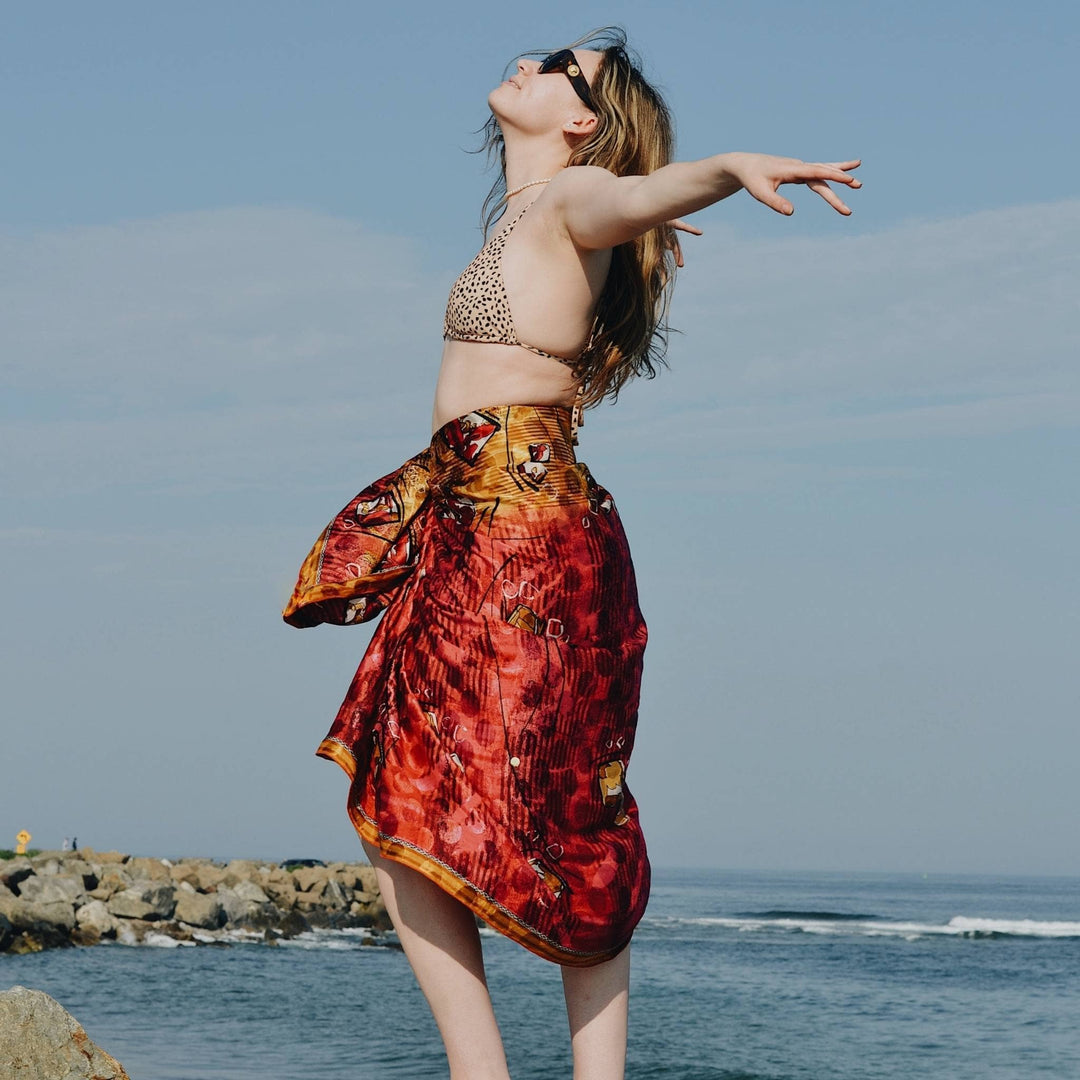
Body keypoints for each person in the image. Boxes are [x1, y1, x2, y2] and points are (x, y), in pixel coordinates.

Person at [283, 25, 860, 1080]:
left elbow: (632, 199)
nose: (533, 62)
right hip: (483, 525)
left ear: (584, 123)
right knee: (427, 793)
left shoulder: (566, 201)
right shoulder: (523, 214)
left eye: (564, 70)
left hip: (524, 540)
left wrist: (726, 172)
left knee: (538, 809)